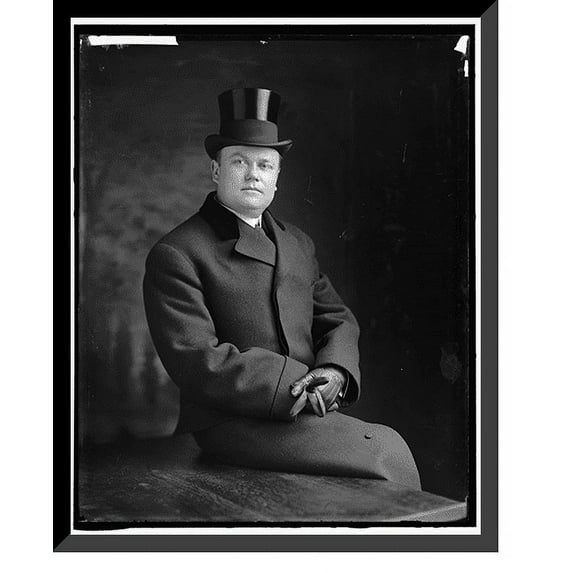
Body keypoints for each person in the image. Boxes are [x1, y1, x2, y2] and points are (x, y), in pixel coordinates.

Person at [143, 87, 421, 489]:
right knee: (383, 452)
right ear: (216, 171)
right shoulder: (179, 252)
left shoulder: (297, 244)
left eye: (265, 165)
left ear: (277, 177)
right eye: (239, 161)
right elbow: (196, 360)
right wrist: (295, 384)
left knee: (388, 450)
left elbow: (337, 318)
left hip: (302, 409)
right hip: (231, 421)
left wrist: (334, 370)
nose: (253, 174)